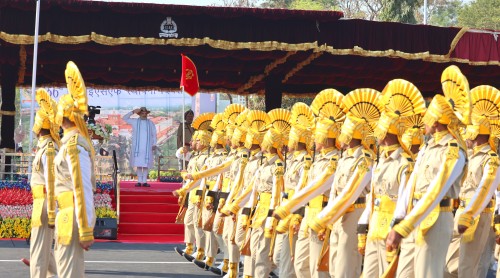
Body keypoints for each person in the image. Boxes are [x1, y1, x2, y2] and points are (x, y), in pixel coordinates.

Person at [386, 65, 470, 278]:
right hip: (414, 218)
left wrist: (404, 227)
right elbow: (412, 184)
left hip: (436, 218)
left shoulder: (454, 151)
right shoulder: (427, 147)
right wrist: (400, 220)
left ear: (436, 119)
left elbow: (436, 190)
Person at [309, 88, 382, 278]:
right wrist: (330, 220)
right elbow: (334, 192)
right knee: (333, 267)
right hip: (337, 216)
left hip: (353, 215)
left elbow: (350, 194)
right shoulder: (344, 158)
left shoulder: (365, 159)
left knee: (346, 267)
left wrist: (327, 217)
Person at [273, 89, 345, 278]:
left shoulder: (334, 160)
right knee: (300, 265)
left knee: (317, 269)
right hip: (307, 215)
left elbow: (316, 188)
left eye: (318, 136)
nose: (314, 139)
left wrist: (289, 208)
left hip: (322, 213)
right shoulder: (316, 161)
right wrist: (297, 215)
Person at [357, 79, 425, 277]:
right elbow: (372, 197)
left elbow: (404, 203)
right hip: (374, 229)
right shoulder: (380, 162)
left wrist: (396, 230)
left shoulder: (405, 164)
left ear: (387, 129)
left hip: (391, 232)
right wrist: (363, 226)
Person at [444, 85, 500, 278]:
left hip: (476, 216)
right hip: (461, 212)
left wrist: (468, 215)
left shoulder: (491, 159)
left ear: (476, 131)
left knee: (468, 268)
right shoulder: (469, 155)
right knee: (448, 266)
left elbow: (484, 190)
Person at [53, 61, 96, 277]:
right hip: (65, 215)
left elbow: (82, 187)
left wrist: (86, 228)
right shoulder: (67, 144)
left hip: (73, 219)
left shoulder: (74, 145)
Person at [24, 88, 60, 277]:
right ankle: (58, 272)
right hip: (41, 202)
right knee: (42, 245)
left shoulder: (49, 149)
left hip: (46, 202)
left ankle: (38, 273)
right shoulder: (44, 146)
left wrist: (53, 213)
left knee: (39, 247)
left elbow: (52, 181)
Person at [123, 107, 157, 187]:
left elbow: (154, 134)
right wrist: (133, 112)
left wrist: (154, 144)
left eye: (145, 113)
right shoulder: (134, 121)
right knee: (138, 164)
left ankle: (144, 181)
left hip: (147, 146)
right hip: (137, 147)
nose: (144, 114)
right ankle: (139, 181)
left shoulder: (150, 123)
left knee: (145, 164)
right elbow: (125, 118)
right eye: (142, 113)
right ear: (139, 114)